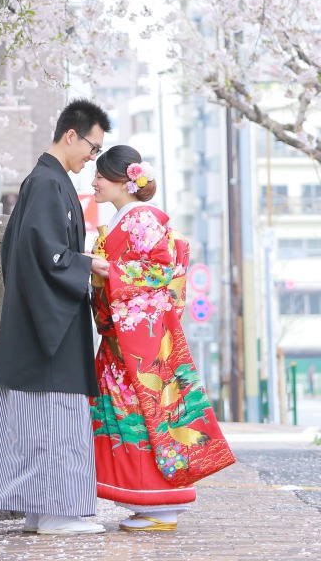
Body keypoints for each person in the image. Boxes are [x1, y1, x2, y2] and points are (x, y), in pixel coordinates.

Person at [0, 98, 112, 536]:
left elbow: (32, 253)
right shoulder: (49, 183)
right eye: (92, 148)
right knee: (54, 418)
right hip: (48, 325)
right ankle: (57, 513)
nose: (92, 158)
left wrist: (79, 263)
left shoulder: (46, 181)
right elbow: (44, 253)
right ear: (71, 135)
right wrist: (87, 264)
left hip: (39, 318)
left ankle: (39, 510)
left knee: (38, 420)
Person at [90, 145, 235, 533]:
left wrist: (107, 269)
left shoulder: (140, 219)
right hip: (129, 337)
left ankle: (159, 504)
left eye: (100, 176)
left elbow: (158, 271)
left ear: (122, 180)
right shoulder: (129, 218)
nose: (94, 182)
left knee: (142, 417)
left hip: (136, 340)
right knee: (138, 418)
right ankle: (148, 502)